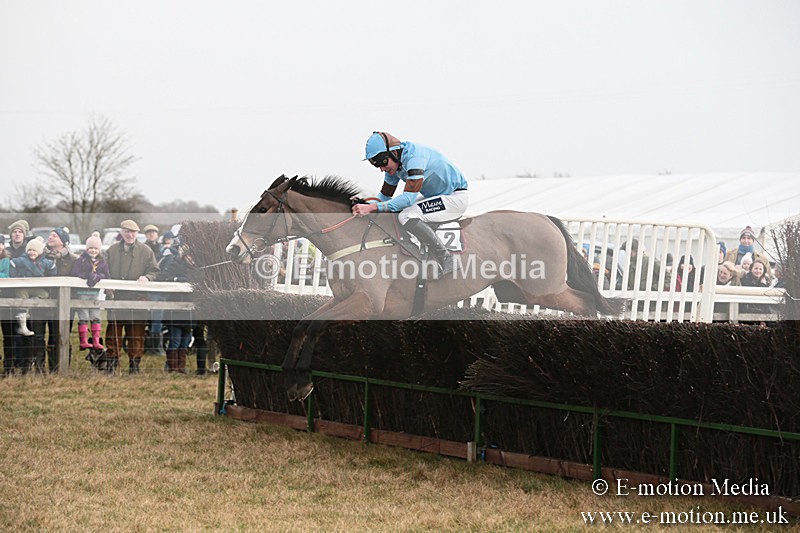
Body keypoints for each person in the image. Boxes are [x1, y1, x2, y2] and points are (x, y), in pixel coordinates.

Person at [353, 131, 469, 277]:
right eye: (376, 164)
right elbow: (384, 197)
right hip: (439, 197)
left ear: (394, 152)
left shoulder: (415, 159)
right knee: (399, 211)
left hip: (454, 199)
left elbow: (408, 198)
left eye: (382, 162)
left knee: (406, 215)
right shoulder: (395, 164)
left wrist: (372, 207)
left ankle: (446, 258)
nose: (382, 168)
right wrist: (365, 204)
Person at [105, 219, 160, 374]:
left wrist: (147, 277)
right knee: (113, 333)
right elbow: (104, 270)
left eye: (133, 232)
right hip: (116, 298)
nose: (130, 235)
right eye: (127, 232)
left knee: (136, 334)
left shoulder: (146, 251)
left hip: (138, 298)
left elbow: (155, 270)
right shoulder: (112, 250)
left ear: (137, 234)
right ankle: (111, 363)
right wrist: (107, 284)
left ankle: (134, 365)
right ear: (122, 233)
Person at [9, 237, 56, 373]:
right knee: (22, 296)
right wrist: (16, 277)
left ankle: (32, 302)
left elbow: (52, 268)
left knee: (44, 294)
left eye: (34, 250)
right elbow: (12, 264)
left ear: (40, 251)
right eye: (29, 250)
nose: (31, 252)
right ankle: (23, 324)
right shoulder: (22, 260)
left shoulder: (44, 262)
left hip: (37, 287)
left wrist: (49, 273)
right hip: (24, 285)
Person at [157, 239, 198, 373]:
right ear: (184, 256)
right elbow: (163, 277)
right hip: (175, 311)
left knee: (186, 340)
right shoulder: (174, 264)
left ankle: (181, 367)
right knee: (175, 340)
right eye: (189, 256)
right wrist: (178, 280)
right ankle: (172, 367)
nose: (192, 259)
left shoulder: (198, 269)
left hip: (190, 312)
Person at [44, 227, 79, 372]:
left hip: (66, 303)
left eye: (55, 236)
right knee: (46, 335)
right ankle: (48, 368)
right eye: (50, 235)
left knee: (63, 334)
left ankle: (63, 367)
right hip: (45, 301)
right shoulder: (41, 256)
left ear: (63, 242)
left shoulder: (73, 259)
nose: (50, 237)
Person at [1, 220, 32, 375]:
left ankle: (25, 365)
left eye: (20, 231)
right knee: (9, 334)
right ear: (11, 235)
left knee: (24, 332)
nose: (17, 234)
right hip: (7, 297)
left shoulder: (30, 250)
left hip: (24, 297)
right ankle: (9, 366)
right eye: (14, 231)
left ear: (24, 234)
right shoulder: (6, 252)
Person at [70, 233, 110, 350]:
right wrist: (88, 275)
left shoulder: (102, 262)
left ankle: (96, 341)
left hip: (95, 295)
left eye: (96, 248)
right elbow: (75, 273)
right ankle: (83, 341)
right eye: (91, 248)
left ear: (99, 249)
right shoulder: (81, 260)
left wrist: (97, 276)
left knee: (96, 316)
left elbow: (107, 275)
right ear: (87, 249)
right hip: (81, 295)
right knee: (84, 317)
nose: (93, 250)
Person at [142, 224, 166, 355]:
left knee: (159, 315)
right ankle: (153, 346)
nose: (151, 235)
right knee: (154, 315)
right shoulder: (144, 249)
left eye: (154, 232)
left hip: (161, 285)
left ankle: (156, 344)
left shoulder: (162, 249)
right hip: (148, 285)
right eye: (149, 232)